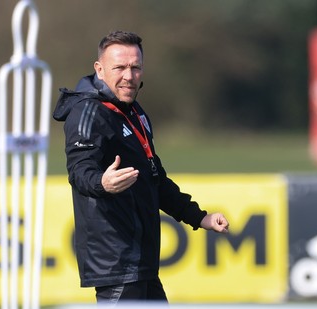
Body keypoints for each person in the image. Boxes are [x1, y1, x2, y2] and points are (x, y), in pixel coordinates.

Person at [53, 30, 229, 305]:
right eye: (120, 67)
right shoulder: (88, 112)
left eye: (135, 67)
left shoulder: (135, 112)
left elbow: (155, 178)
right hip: (117, 264)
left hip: (141, 264)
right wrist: (102, 183)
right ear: (99, 69)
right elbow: (79, 171)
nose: (129, 75)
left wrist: (199, 218)